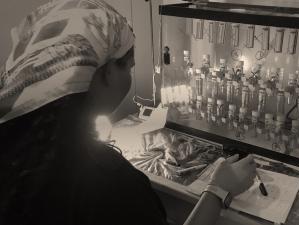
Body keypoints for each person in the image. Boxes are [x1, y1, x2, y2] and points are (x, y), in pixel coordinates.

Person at [0, 1, 256, 225]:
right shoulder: (110, 185)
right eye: (129, 68)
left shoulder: (16, 147)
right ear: (107, 71)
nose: (130, 77)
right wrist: (218, 190)